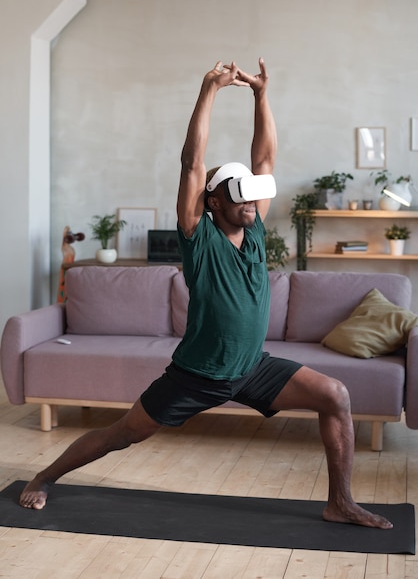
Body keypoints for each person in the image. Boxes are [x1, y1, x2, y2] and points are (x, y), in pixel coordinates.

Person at [20, 58, 392, 529]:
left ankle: (340, 501)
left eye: (253, 196)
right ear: (214, 202)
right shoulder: (199, 236)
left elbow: (265, 160)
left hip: (253, 366)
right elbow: (192, 162)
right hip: (198, 374)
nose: (252, 204)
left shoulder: (254, 230)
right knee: (124, 434)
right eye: (240, 197)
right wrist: (209, 89)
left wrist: (260, 95)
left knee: (335, 394)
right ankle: (45, 476)